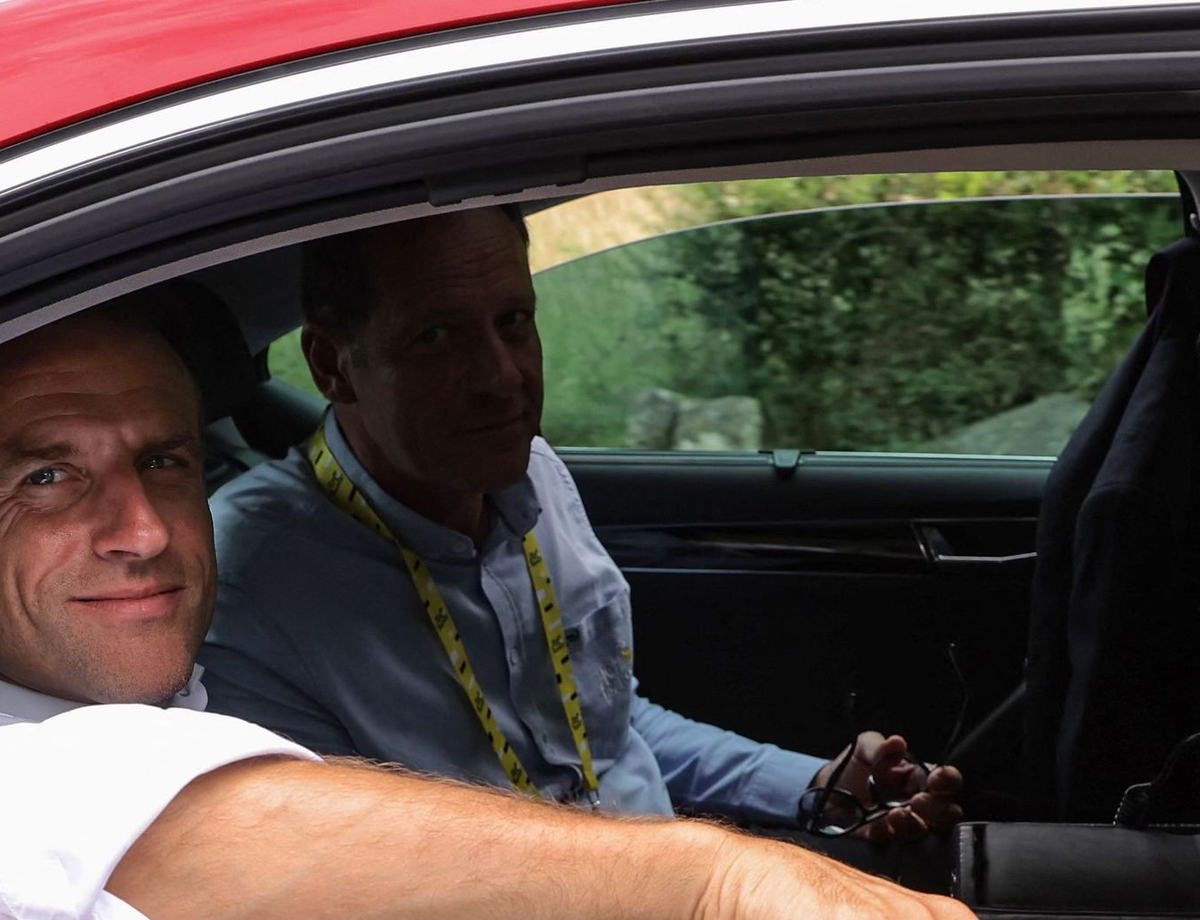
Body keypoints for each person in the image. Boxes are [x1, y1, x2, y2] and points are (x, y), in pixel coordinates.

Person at [0, 297, 1148, 920]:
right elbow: (169, 828)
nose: (143, 529)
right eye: (48, 476)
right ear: (340, 366)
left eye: (166, 460)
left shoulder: (534, 487)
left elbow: (603, 715)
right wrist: (720, 880)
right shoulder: (63, 748)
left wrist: (803, 800)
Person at [201, 206, 962, 841]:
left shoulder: (530, 475)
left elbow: (600, 731)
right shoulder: (246, 593)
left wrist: (817, 788)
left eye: (513, 320)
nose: (501, 376)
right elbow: (340, 892)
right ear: (333, 366)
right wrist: (714, 899)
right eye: (437, 336)